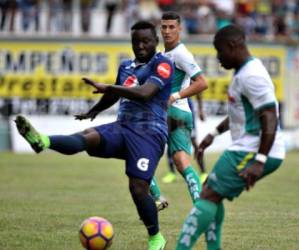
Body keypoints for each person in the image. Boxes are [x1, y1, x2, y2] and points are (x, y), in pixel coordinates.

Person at [15, 21, 173, 250]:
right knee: (88, 136)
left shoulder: (163, 64)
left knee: (138, 188)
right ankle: (42, 141)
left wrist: (109, 87)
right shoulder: (126, 66)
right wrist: (94, 111)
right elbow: (116, 94)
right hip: (123, 126)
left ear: (155, 42)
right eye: (135, 42)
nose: (140, 46)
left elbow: (144, 93)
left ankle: (156, 238)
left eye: (145, 41)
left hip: (150, 134)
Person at [176, 24, 285, 250]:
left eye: (219, 51)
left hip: (252, 150)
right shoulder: (244, 73)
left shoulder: (252, 76)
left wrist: (260, 160)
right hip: (247, 147)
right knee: (212, 192)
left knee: (207, 195)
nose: (218, 58)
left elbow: (270, 116)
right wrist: (213, 134)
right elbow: (241, 114)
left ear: (233, 46)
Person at [150, 11, 208, 205]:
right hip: (180, 114)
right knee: (183, 163)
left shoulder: (181, 53)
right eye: (164, 27)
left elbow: (202, 82)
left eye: (171, 27)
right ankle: (200, 206)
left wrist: (174, 96)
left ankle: (157, 198)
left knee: (137, 152)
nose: (167, 31)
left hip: (171, 111)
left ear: (180, 29)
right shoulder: (165, 54)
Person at [162, 94, 207, 184]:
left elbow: (199, 86)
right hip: (169, 106)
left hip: (185, 106)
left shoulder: (188, 79)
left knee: (193, 140)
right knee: (170, 139)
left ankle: (203, 172)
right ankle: (172, 173)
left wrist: (201, 109)